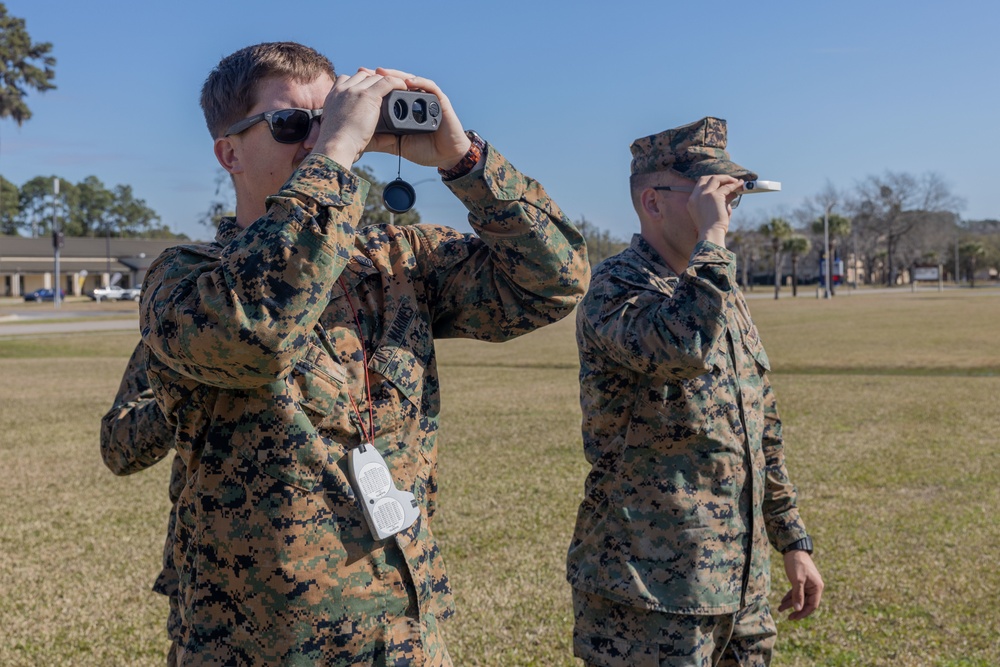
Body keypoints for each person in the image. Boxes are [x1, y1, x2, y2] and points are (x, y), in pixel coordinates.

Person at [137, 42, 589, 665]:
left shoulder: (397, 261)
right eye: (291, 124)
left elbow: (555, 280)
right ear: (229, 152)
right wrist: (334, 154)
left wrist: (464, 161)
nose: (315, 138)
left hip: (403, 633)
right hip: (260, 645)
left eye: (329, 118)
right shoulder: (185, 281)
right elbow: (260, 331)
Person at [566, 117, 823, 666]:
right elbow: (679, 348)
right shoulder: (617, 289)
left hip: (740, 589)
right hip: (648, 596)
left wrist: (792, 541)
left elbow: (761, 432)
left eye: (731, 199)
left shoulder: (716, 288)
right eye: (711, 196)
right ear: (653, 203)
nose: (726, 212)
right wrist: (713, 243)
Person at [100, 342, 185, 666]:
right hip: (212, 603)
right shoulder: (194, 312)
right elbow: (117, 447)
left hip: (341, 600)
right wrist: (182, 393)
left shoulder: (351, 304)